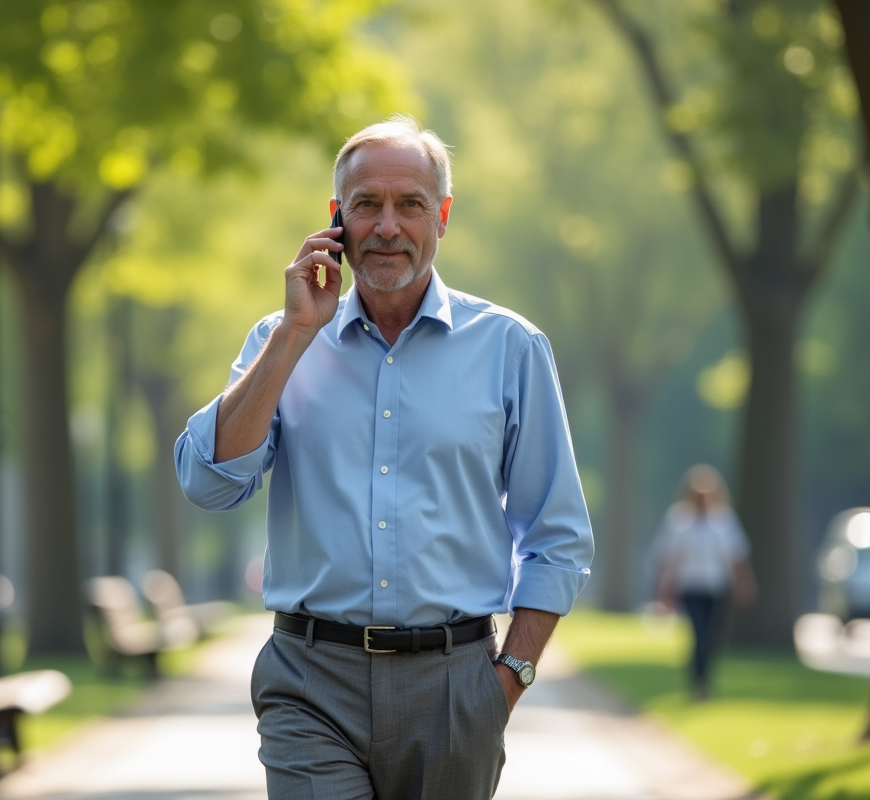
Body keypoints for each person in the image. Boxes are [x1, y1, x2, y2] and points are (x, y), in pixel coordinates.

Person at [175, 116, 593, 799]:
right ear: (337, 220)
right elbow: (208, 482)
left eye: (411, 205)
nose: (388, 227)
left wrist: (508, 678)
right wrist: (294, 335)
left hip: (456, 687)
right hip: (310, 681)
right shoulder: (281, 340)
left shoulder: (511, 349)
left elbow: (558, 536)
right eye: (367, 205)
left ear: (443, 217)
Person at [654, 465, 756, 700]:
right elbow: (669, 559)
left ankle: (705, 679)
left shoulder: (724, 520)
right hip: (691, 587)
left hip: (717, 588)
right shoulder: (679, 520)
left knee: (712, 638)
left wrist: (744, 584)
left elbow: (737, 557)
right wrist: (664, 593)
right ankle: (699, 684)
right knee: (699, 635)